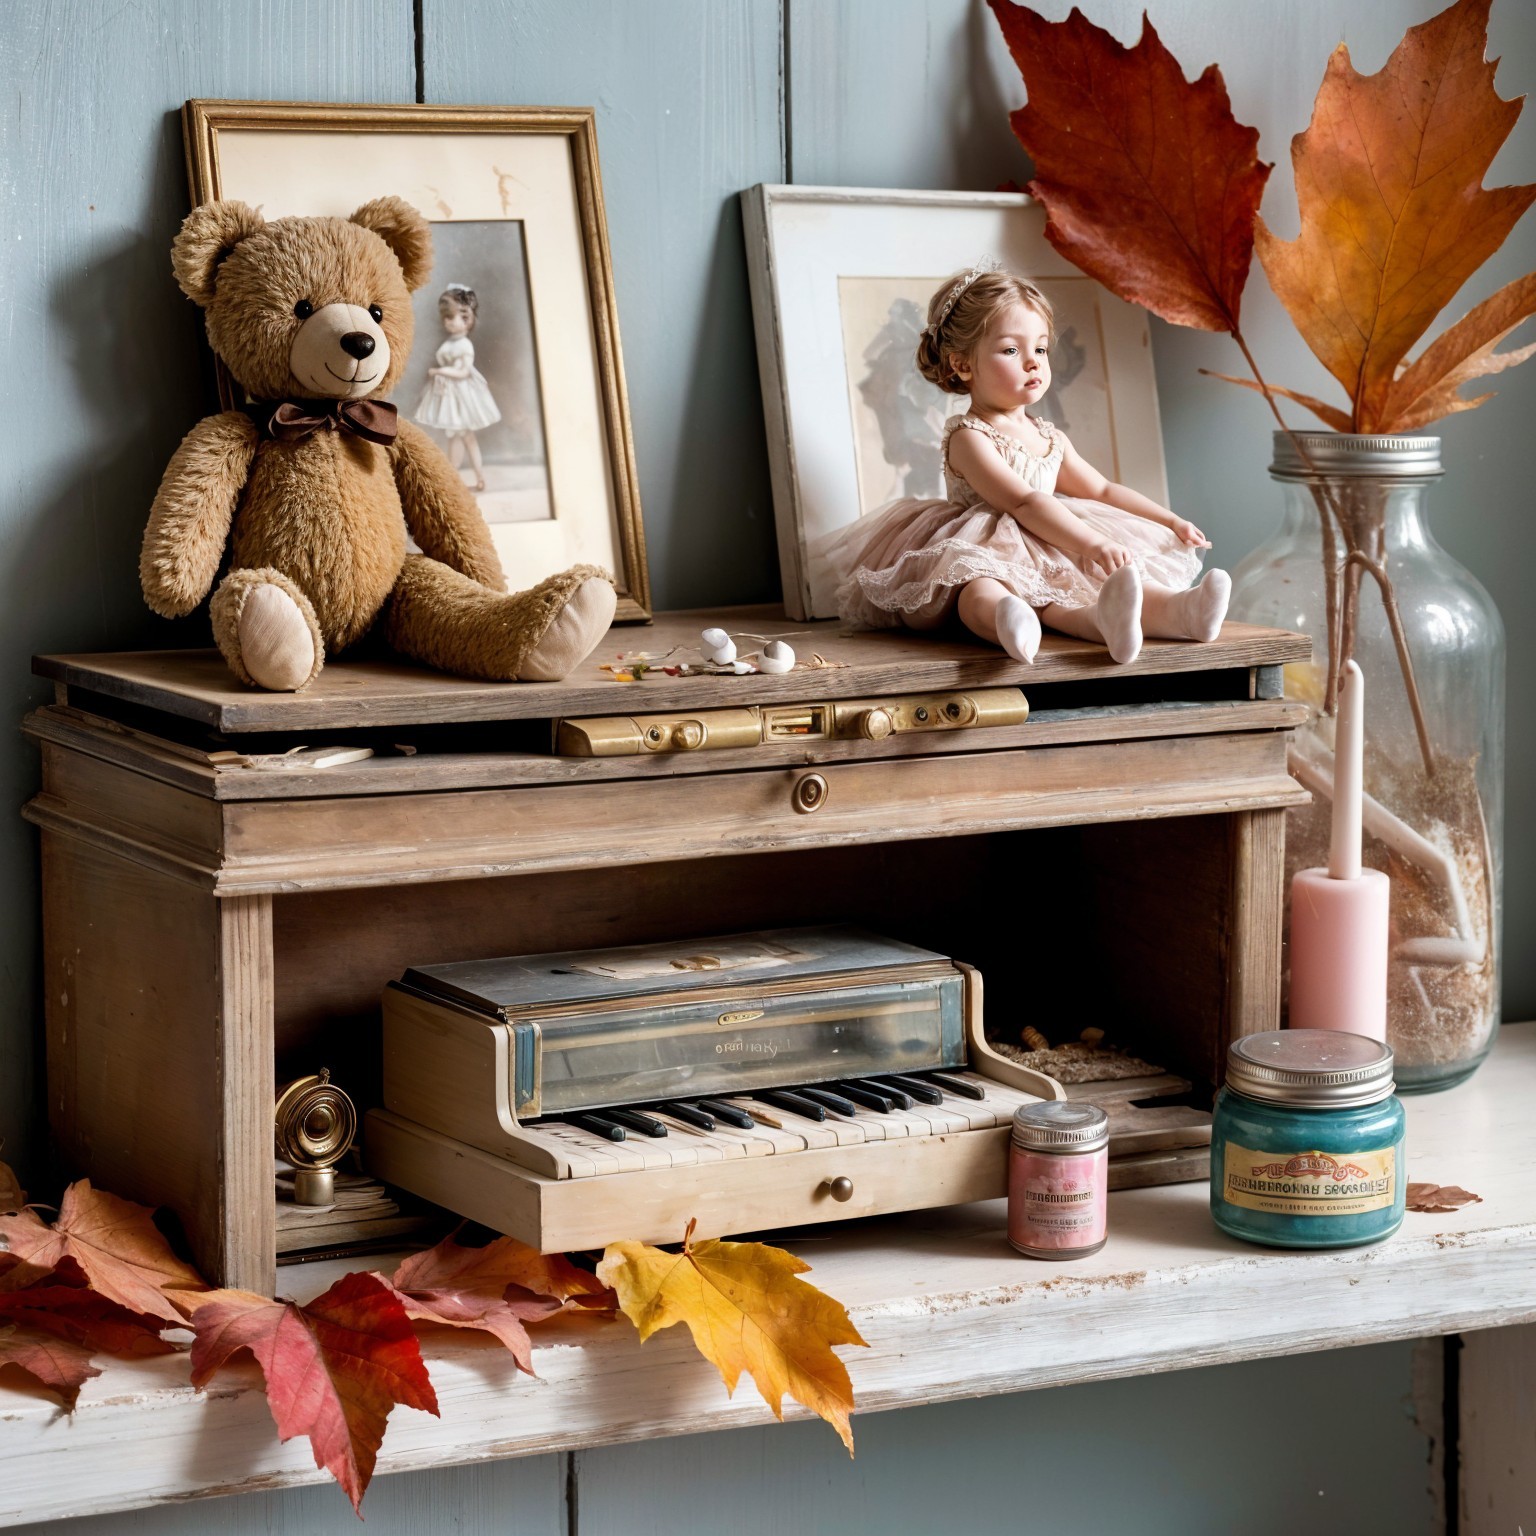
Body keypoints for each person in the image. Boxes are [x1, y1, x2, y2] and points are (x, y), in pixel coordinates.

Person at [817, 268, 1230, 664]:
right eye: (1011, 350)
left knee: (1109, 575)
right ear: (963, 365)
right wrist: (1091, 542)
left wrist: (1168, 520)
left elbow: (1101, 490)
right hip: (984, 543)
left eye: (1040, 349)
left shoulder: (1050, 437)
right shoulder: (969, 436)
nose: (1033, 362)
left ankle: (1180, 612)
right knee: (980, 586)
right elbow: (1024, 502)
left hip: (1049, 538)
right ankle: (1010, 620)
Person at [413, 283, 501, 492]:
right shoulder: (452, 341)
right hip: (449, 393)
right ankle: (455, 477)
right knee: (455, 436)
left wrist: (439, 371)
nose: (449, 322)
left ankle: (478, 477)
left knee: (467, 437)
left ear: (468, 319)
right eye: (447, 317)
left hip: (462, 394)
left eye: (455, 317)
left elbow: (463, 372)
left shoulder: (464, 345)